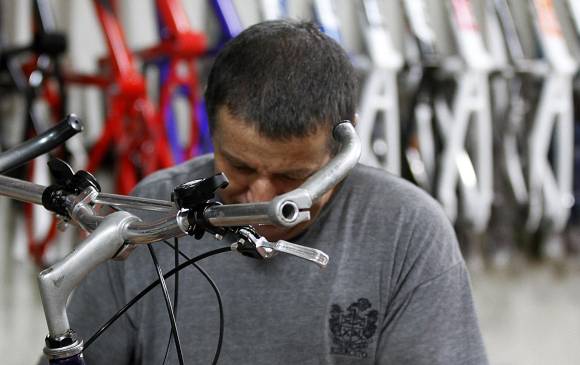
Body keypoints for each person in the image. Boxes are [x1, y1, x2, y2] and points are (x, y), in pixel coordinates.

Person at [60, 20, 488, 364]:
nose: (262, 197)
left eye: (293, 177)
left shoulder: (405, 232)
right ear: (211, 129)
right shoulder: (149, 215)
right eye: (240, 167)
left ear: (344, 146)